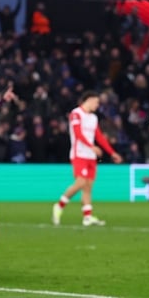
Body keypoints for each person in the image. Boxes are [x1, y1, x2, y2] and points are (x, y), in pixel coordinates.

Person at [52, 91, 123, 226]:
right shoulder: (76, 114)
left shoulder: (93, 118)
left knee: (88, 187)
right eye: (96, 102)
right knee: (80, 183)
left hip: (90, 156)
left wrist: (112, 153)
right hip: (79, 154)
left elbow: (99, 137)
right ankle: (59, 205)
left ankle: (87, 217)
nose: (97, 105)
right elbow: (78, 134)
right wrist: (92, 147)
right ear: (89, 100)